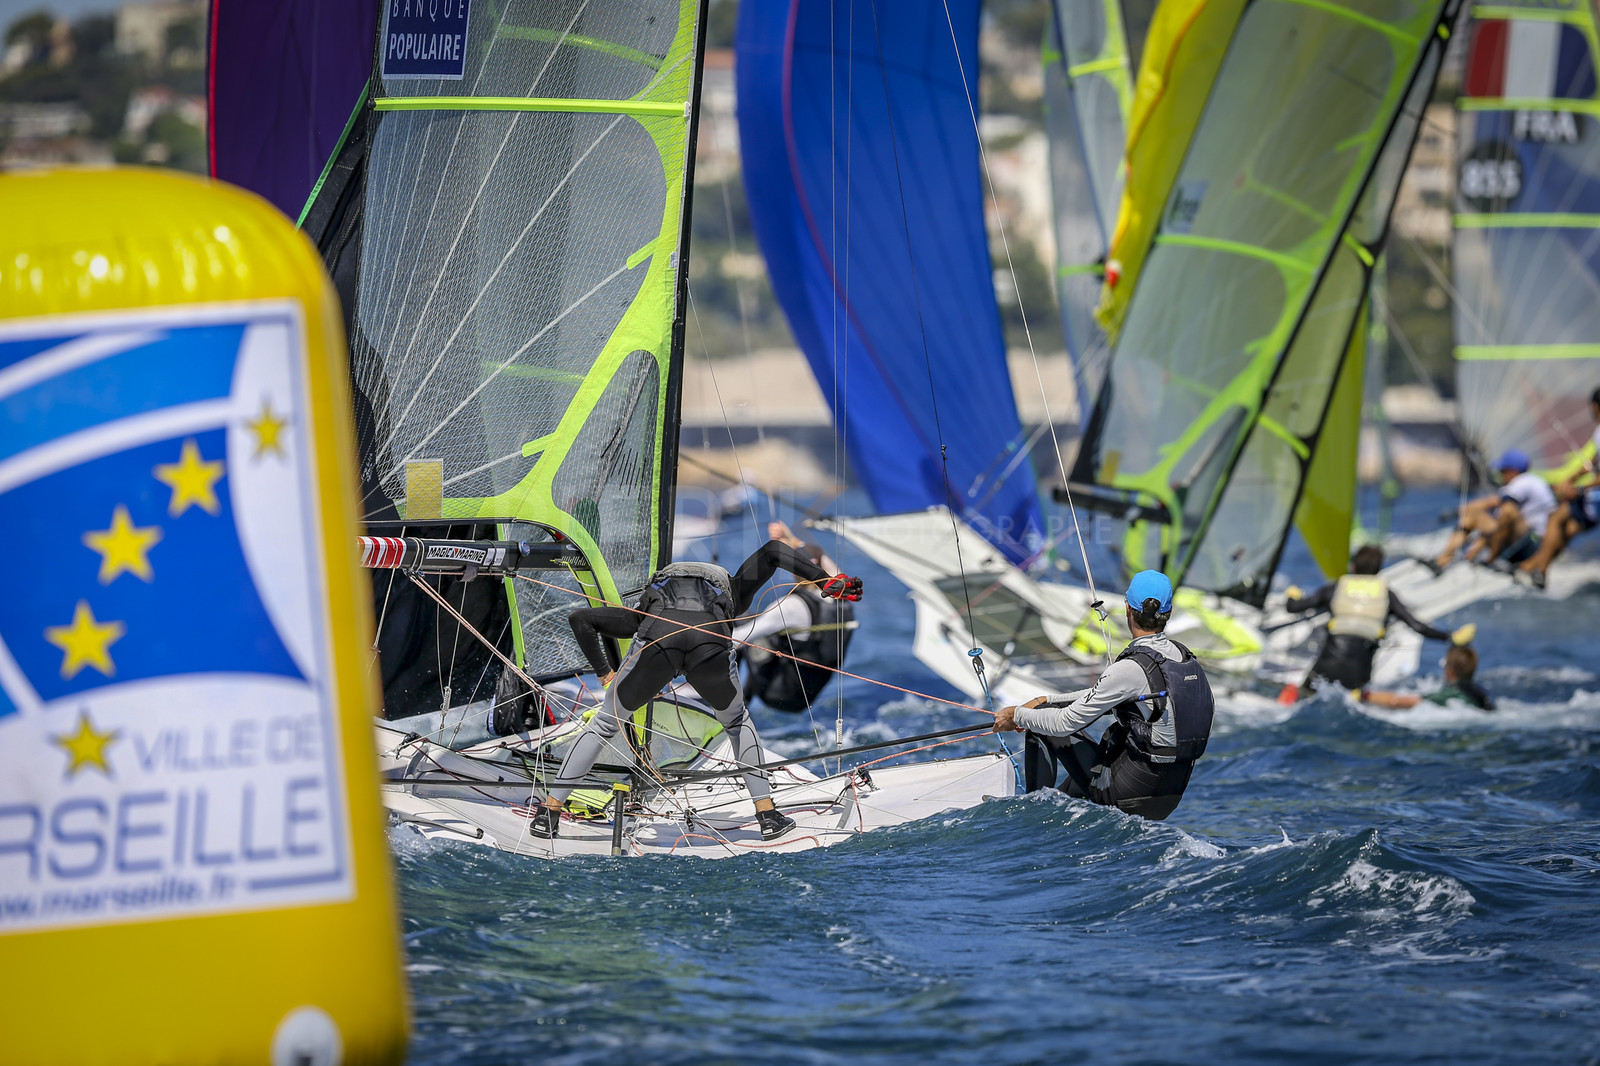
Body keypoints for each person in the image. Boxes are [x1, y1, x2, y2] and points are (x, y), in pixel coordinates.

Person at [529, 541, 863, 841]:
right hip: (710, 645)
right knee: (736, 724)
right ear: (719, 581)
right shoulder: (734, 589)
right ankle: (767, 816)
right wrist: (825, 582)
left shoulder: (649, 604)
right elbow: (774, 550)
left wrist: (606, 674)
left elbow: (581, 619)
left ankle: (549, 813)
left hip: (659, 641)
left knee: (604, 725)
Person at [992, 570, 1213, 821]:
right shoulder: (1186, 660)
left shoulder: (1130, 669)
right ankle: (1056, 814)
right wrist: (1046, 700)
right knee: (1072, 784)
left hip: (1130, 795)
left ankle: (1029, 817)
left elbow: (1065, 724)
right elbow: (1105, 695)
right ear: (1168, 612)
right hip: (1168, 798)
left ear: (1128, 608)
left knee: (1041, 721)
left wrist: (1017, 715)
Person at [1285, 545, 1475, 693]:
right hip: (1358, 673)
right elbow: (1417, 626)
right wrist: (1449, 637)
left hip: (1327, 666)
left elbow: (1294, 608)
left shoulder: (1335, 588)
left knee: (1307, 692)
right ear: (1378, 570)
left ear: (1353, 567)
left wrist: (1292, 596)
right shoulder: (1386, 594)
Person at [737, 522, 856, 712]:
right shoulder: (840, 598)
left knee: (742, 618)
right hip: (806, 699)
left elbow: (737, 639)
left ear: (794, 570)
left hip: (777, 694)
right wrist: (791, 541)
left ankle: (727, 705)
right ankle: (743, 701)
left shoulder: (791, 606)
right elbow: (821, 556)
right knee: (769, 637)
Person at [1519, 387, 1600, 588]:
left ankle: (1540, 571)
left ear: (1595, 406)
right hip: (1594, 501)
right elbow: (1594, 462)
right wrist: (1571, 479)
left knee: (1556, 518)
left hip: (1595, 499)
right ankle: (1532, 567)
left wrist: (1581, 489)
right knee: (1570, 528)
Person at [1433, 449, 1557, 569]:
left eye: (1503, 471)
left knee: (1506, 511)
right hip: (1523, 540)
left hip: (1531, 544)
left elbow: (1492, 502)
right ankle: (1444, 560)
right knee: (1476, 516)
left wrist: (1456, 511)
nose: (1500, 474)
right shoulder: (1531, 482)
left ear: (1513, 471)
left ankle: (1490, 558)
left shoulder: (1524, 481)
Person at [1360, 645, 1495, 711]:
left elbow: (1396, 701)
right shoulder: (1481, 691)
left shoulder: (1450, 694)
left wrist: (1365, 695)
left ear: (1450, 671)